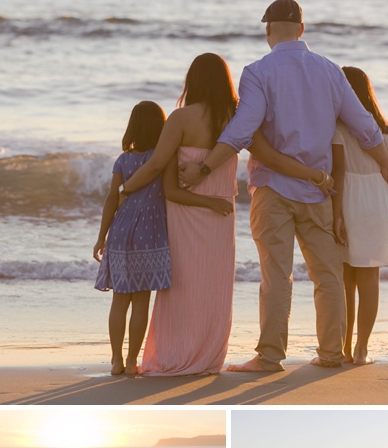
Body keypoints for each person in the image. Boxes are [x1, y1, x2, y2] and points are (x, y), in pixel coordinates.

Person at [179, 0, 388, 373]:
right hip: (319, 190)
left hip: (274, 189)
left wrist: (206, 166)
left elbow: (243, 129)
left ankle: (270, 357)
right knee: (327, 276)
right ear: (302, 30)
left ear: (268, 30)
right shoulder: (329, 71)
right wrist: (385, 165)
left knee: (276, 276)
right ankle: (330, 354)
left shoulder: (258, 72)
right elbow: (364, 125)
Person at [115, 53, 331, 375]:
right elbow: (269, 156)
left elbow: (157, 164)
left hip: (184, 214)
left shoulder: (180, 119)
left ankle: (176, 353)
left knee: (182, 285)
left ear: (193, 81)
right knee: (213, 285)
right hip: (220, 214)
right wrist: (313, 175)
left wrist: (125, 189)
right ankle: (208, 356)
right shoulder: (235, 120)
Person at [332, 66, 388, 364]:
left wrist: (336, 215)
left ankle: (346, 348)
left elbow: (336, 173)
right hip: (376, 202)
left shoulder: (336, 126)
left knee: (346, 278)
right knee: (370, 278)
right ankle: (363, 349)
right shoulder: (384, 127)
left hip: (348, 198)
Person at [93, 101, 171, 375]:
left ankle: (115, 359)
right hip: (150, 235)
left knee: (119, 300)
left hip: (121, 231)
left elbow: (111, 199)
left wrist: (101, 237)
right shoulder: (162, 159)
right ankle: (130, 361)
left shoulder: (123, 160)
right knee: (141, 300)